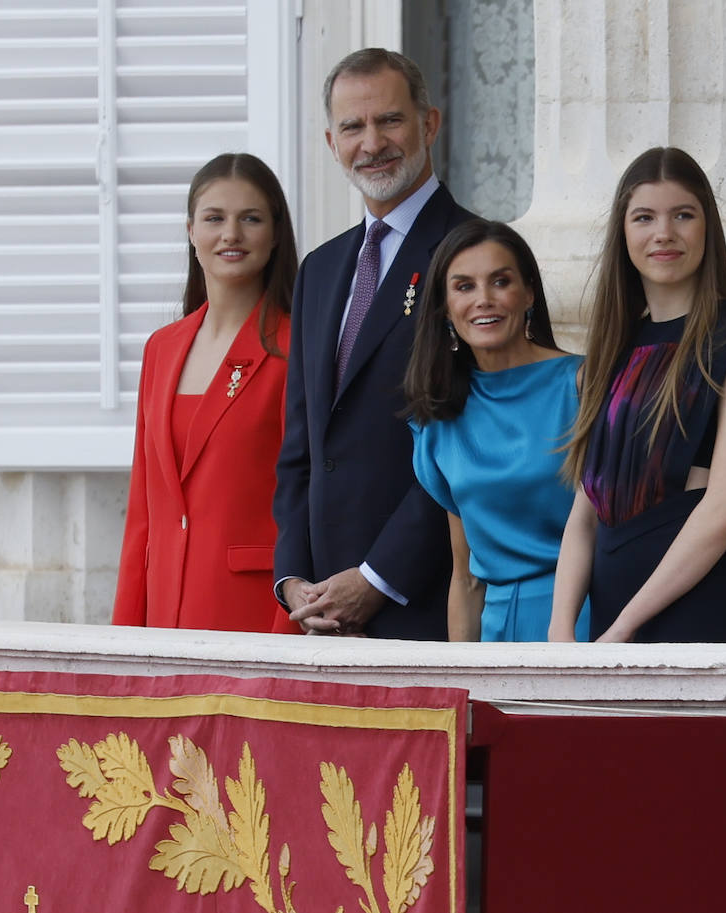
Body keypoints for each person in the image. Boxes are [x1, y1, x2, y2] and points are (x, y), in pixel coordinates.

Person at [549, 147, 726, 644]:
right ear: (624, 233)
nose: (664, 233)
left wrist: (622, 631)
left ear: (708, 228)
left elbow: (724, 512)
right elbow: (584, 516)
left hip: (696, 619)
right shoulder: (612, 351)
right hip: (607, 627)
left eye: (683, 214)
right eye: (645, 217)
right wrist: (560, 633)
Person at [273, 48, 475, 639]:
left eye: (389, 120)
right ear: (332, 142)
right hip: (319, 616)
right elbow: (302, 444)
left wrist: (377, 577)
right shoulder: (319, 268)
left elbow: (476, 447)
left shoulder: (475, 256)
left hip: (427, 605)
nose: (372, 142)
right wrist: (293, 579)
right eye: (352, 127)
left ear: (428, 123)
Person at [113, 153, 300, 633]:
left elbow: (305, 502)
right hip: (163, 615)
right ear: (191, 230)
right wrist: (124, 639)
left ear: (276, 233)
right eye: (214, 218)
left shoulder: (295, 346)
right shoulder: (162, 348)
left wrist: (287, 636)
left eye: (250, 219)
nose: (231, 235)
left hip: (255, 613)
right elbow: (143, 514)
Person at [403, 219, 590, 642]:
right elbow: (466, 579)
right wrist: (464, 684)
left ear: (528, 293)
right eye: (464, 286)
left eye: (500, 281)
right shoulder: (439, 418)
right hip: (497, 632)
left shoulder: (582, 385)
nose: (483, 300)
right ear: (444, 307)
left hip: (584, 622)